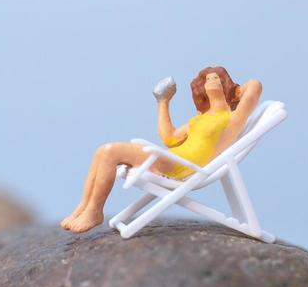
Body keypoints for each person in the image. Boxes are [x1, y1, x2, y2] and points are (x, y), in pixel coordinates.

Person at [60, 67, 263, 234]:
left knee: (111, 151)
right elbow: (170, 137)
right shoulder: (199, 119)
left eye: (216, 77)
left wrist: (234, 91)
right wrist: (163, 102)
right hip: (172, 157)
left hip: (181, 166)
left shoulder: (233, 119)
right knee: (102, 151)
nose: (211, 79)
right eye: (207, 78)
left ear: (225, 83)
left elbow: (254, 85)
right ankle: (84, 207)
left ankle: (95, 212)